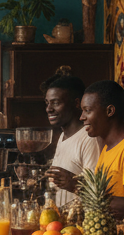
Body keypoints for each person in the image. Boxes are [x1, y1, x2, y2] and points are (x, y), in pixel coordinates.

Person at [61, 79, 124, 222]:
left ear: (109, 111)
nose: (82, 117)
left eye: (87, 110)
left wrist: (79, 187)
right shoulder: (107, 148)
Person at [42, 71, 103, 208]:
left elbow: (97, 195)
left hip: (81, 220)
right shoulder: (63, 136)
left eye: (55, 103)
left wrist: (73, 184)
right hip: (60, 219)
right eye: (47, 103)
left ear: (76, 103)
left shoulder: (89, 139)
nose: (48, 109)